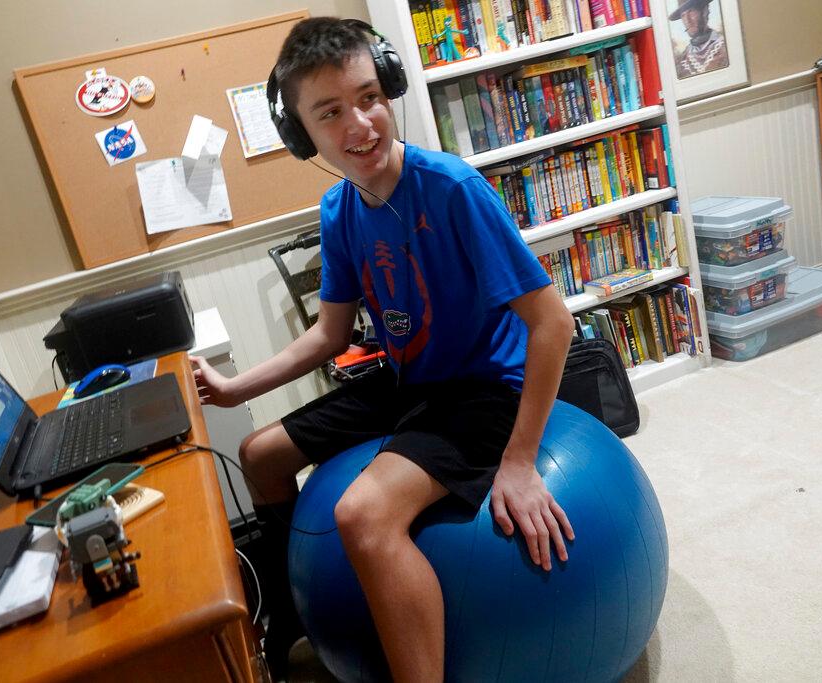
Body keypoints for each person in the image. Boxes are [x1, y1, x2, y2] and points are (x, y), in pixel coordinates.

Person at [189, 17, 575, 682]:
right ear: (301, 134)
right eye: (331, 112)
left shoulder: (452, 189)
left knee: (361, 513)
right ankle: (295, 616)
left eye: (370, 98)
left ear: (388, 90)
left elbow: (552, 322)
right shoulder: (339, 210)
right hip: (409, 380)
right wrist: (234, 388)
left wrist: (518, 459)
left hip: (483, 388)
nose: (360, 125)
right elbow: (330, 335)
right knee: (259, 454)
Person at [669, 0, 729, 79]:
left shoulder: (725, 46)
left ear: (704, 11)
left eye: (691, 12)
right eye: (683, 15)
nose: (687, 20)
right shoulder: (682, 60)